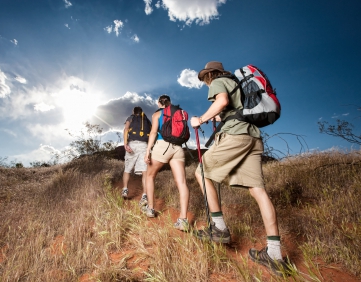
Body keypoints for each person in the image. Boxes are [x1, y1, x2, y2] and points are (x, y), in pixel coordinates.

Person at [190, 61, 290, 277]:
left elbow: (222, 100)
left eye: (205, 79)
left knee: (201, 172)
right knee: (258, 190)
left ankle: (218, 228)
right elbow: (231, 110)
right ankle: (275, 254)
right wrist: (216, 117)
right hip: (252, 138)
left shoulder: (218, 82)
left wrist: (200, 119)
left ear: (210, 75)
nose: (206, 82)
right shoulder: (237, 84)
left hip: (235, 137)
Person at [143, 95, 190, 231]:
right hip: (178, 148)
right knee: (182, 183)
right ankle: (183, 220)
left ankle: (151, 209)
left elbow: (153, 133)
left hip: (162, 146)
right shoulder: (178, 112)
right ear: (170, 102)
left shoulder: (157, 114)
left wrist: (148, 151)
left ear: (159, 103)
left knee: (150, 176)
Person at [122, 106, 151, 207]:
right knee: (145, 172)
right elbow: (152, 134)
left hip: (132, 144)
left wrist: (125, 144)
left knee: (127, 169)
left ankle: (125, 189)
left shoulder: (131, 117)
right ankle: (145, 195)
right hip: (144, 145)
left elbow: (126, 130)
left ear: (133, 111)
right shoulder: (147, 120)